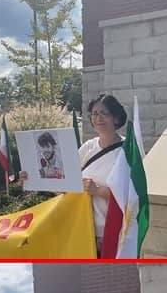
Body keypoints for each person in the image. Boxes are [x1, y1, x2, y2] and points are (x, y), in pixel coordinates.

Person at [19, 94, 128, 257]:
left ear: (116, 118)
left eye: (104, 113)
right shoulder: (88, 147)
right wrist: (31, 178)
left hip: (112, 233)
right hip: (81, 228)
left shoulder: (128, 151)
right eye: (94, 114)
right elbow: (65, 181)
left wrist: (98, 190)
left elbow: (133, 195)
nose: (98, 118)